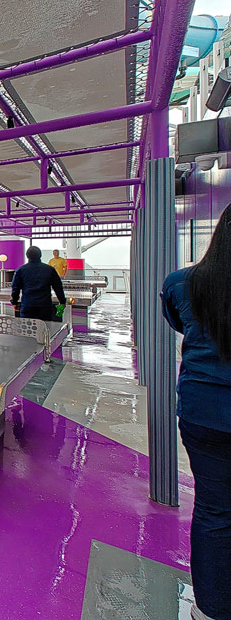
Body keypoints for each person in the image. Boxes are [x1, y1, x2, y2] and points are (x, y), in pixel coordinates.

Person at [161, 203, 231, 620]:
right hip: (204, 412)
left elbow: (178, 322)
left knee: (213, 510)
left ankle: (211, 609)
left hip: (204, 411)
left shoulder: (181, 284)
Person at [11, 246, 66, 321]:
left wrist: (14, 302)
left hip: (27, 305)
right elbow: (58, 287)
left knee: (28, 326)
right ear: (40, 255)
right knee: (45, 326)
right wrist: (62, 301)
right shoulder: (50, 269)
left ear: (27, 256)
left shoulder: (20, 270)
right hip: (45, 305)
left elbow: (15, 288)